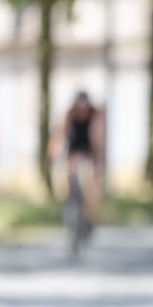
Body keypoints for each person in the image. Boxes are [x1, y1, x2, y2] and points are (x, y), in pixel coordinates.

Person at [47, 91, 105, 229]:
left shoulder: (94, 116)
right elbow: (60, 136)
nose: (82, 110)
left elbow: (97, 138)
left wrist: (97, 157)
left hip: (89, 153)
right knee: (68, 178)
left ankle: (89, 216)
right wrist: (52, 155)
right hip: (73, 153)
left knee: (91, 184)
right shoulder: (70, 115)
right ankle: (70, 205)